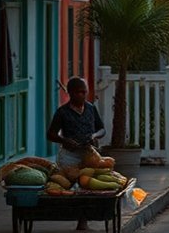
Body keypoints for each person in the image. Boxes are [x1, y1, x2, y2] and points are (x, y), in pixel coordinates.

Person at [47, 76, 105, 231]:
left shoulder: (91, 108)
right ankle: (71, 215)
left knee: (86, 185)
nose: (82, 95)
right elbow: (50, 134)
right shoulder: (62, 112)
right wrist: (64, 140)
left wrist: (95, 136)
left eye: (84, 92)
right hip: (69, 155)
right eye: (79, 92)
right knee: (72, 186)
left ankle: (83, 219)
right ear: (70, 93)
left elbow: (102, 129)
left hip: (89, 153)